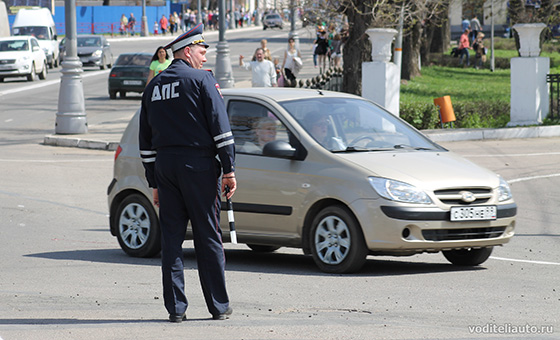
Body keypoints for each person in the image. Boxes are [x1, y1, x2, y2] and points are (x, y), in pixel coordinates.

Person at [139, 23, 235, 323]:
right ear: (188, 51)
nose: (204, 58)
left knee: (171, 240)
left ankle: (176, 309)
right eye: (202, 51)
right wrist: (229, 170)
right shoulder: (202, 80)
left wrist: (154, 181)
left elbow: (145, 141)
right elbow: (221, 130)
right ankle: (218, 306)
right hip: (199, 167)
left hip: (166, 169)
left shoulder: (154, 87)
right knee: (207, 237)